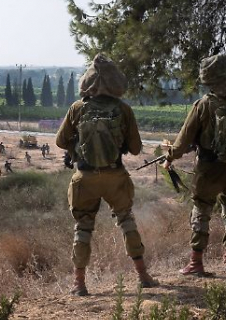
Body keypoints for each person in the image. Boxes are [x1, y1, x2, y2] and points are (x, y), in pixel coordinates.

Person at [55, 54, 157, 295]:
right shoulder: (123, 109)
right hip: (115, 177)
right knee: (126, 221)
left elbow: (61, 140)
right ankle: (143, 276)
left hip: (85, 178)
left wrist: (75, 149)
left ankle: (79, 284)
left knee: (83, 228)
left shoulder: (77, 108)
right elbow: (135, 148)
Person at [163, 54, 226, 275]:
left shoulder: (203, 104)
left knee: (201, 212)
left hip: (209, 171)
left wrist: (169, 157)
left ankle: (196, 263)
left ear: (208, 78)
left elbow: (182, 141)